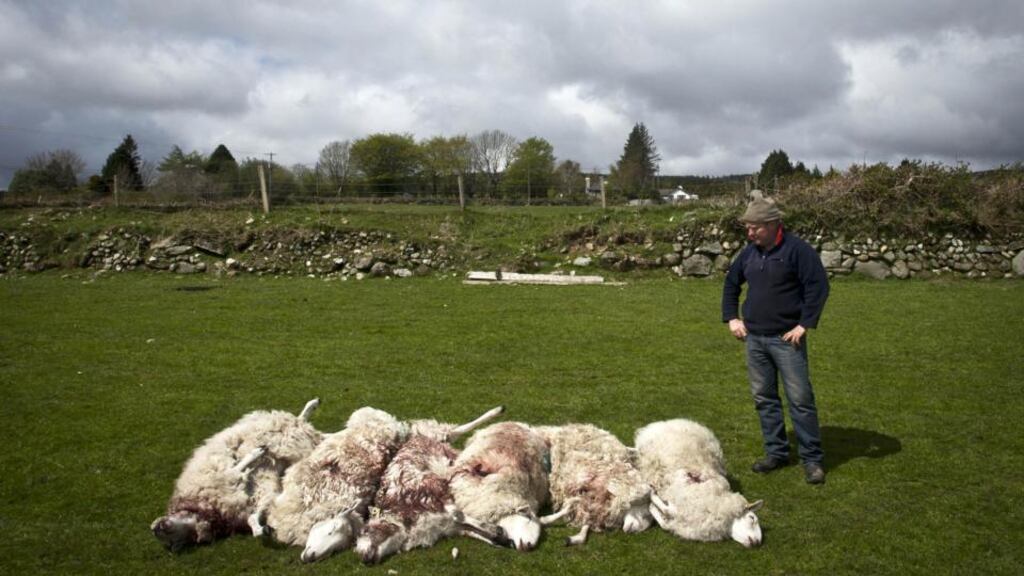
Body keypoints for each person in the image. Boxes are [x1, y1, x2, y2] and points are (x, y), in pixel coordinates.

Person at [721, 191, 830, 485]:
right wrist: (732, 318)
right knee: (764, 398)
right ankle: (777, 453)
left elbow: (817, 287)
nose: (749, 232)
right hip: (754, 339)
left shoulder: (797, 251)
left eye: (754, 227)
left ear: (771, 224)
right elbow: (731, 285)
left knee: (800, 400)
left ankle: (812, 460)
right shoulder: (749, 253)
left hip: (787, 340)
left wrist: (804, 324)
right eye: (747, 227)